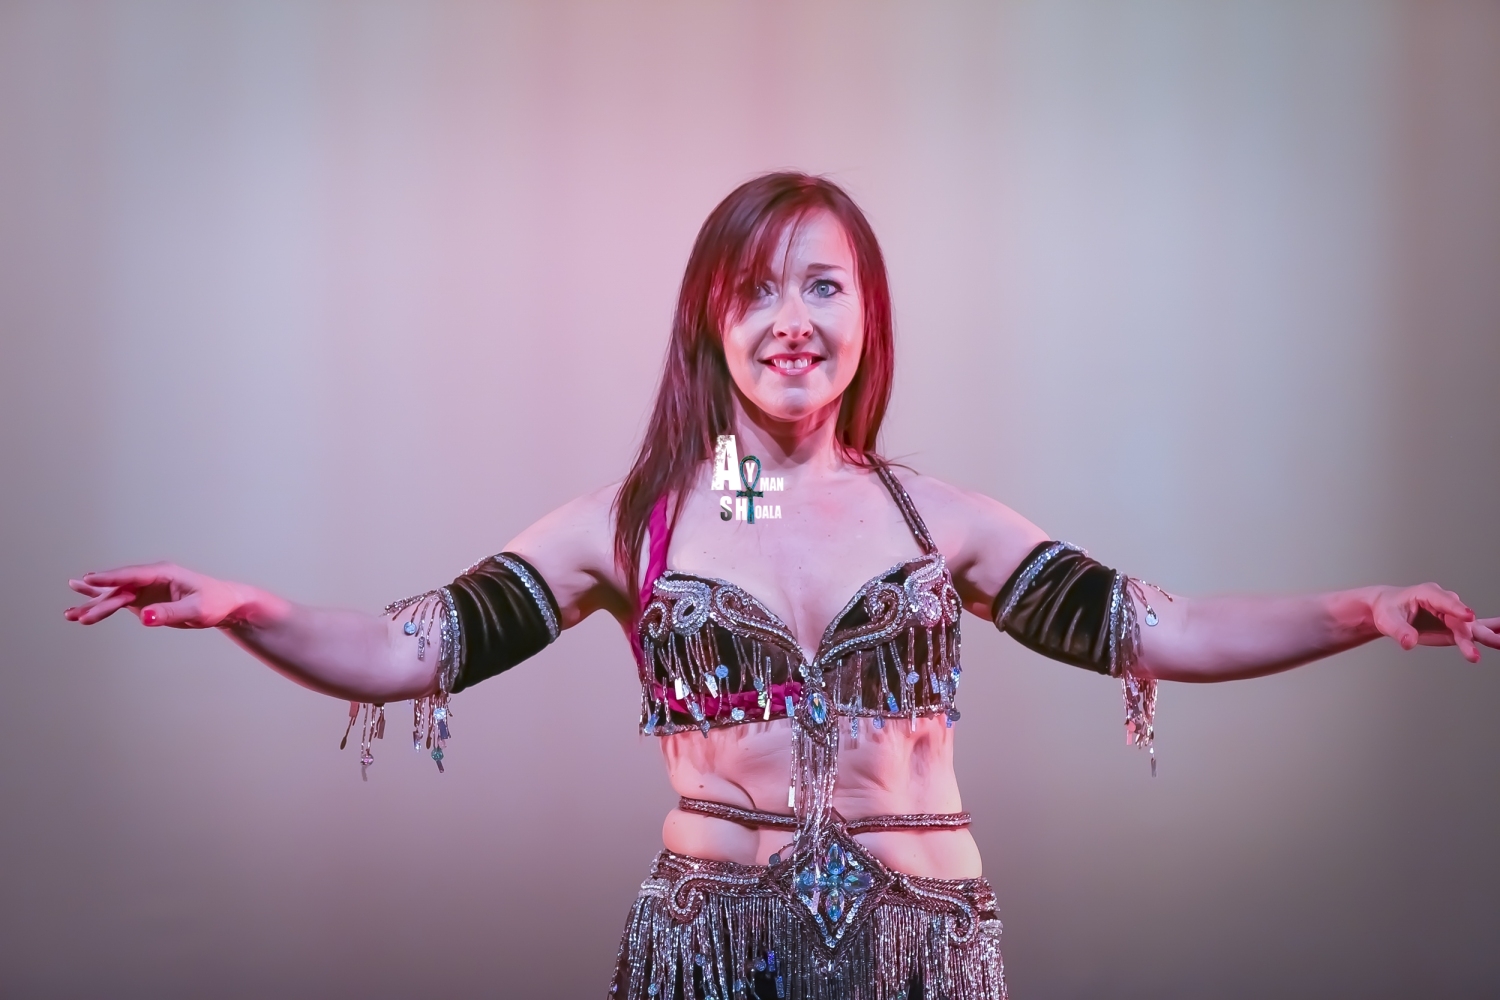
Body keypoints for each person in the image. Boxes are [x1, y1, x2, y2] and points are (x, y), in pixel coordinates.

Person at [65, 172, 1497, 1000]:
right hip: (708, 943)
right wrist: (251, 613)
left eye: (823, 286)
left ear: (867, 315)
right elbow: (404, 648)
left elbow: (1162, 628)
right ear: (711, 319)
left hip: (924, 951)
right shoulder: (639, 525)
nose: (791, 320)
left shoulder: (934, 518)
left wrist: (1360, 612)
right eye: (755, 290)